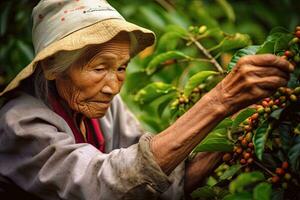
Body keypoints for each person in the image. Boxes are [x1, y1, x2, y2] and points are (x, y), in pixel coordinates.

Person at [0, 0, 293, 199]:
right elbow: (100, 185)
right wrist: (220, 99)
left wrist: (236, 121)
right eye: (99, 68)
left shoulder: (105, 107)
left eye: (122, 67)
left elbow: (158, 181)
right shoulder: (20, 124)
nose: (113, 87)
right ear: (53, 68)